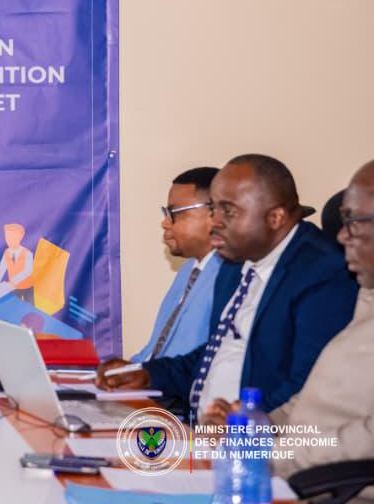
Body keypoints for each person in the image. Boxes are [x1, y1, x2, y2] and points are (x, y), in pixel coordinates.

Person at [98, 154, 358, 420]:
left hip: (264, 438)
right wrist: (148, 374)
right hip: (202, 431)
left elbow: (310, 386)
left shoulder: (323, 273)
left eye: (228, 211)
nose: (215, 222)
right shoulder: (235, 264)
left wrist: (243, 423)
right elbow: (213, 354)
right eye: (213, 209)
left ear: (276, 217)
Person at [202, 160, 374, 498]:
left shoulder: (327, 276)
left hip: (325, 488)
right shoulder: (366, 300)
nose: (341, 235)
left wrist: (267, 454)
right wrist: (254, 424)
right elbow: (314, 397)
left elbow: (365, 438)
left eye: (354, 222)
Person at [131, 167, 223, 362]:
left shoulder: (231, 276)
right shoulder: (188, 270)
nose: (165, 223)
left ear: (213, 215)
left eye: (174, 213)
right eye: (166, 213)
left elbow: (201, 361)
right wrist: (126, 370)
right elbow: (154, 350)